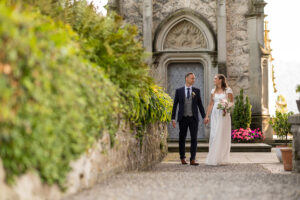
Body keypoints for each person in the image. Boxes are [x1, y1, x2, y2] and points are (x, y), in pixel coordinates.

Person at [171, 72, 206, 165]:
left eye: (194, 78)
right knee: (182, 138)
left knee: (194, 138)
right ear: (187, 79)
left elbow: (200, 105)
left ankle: (192, 159)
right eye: (192, 78)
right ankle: (182, 157)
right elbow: (175, 105)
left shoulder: (196, 91)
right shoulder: (179, 91)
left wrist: (204, 116)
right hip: (182, 118)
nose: (194, 80)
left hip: (193, 118)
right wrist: (173, 118)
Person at [204, 74, 234, 166]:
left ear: (220, 80)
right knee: (214, 134)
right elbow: (211, 104)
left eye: (215, 78)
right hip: (215, 114)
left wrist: (225, 107)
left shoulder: (228, 90)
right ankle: (214, 157)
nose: (214, 80)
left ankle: (221, 158)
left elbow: (231, 102)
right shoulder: (213, 90)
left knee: (221, 134)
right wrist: (207, 116)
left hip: (224, 114)